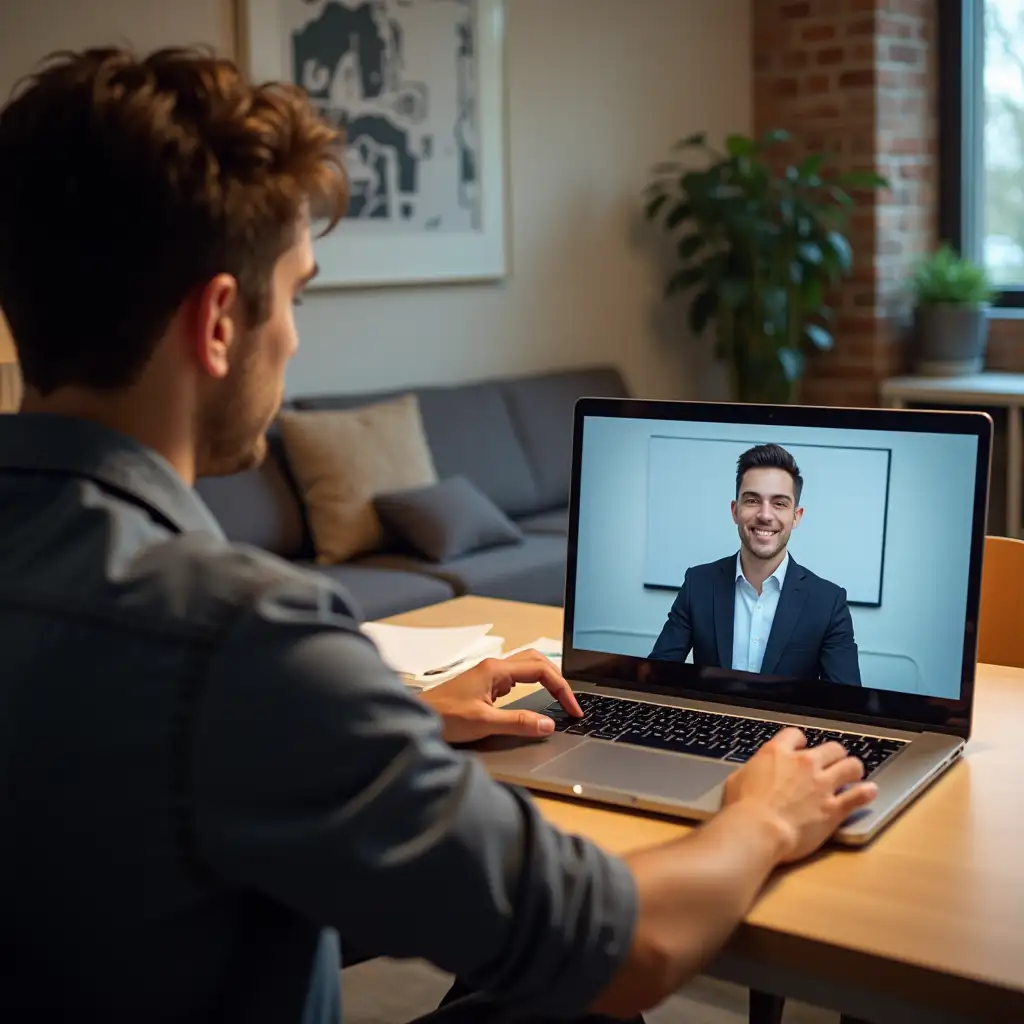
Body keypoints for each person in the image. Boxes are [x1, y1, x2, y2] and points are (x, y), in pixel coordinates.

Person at [0, 47, 877, 1023]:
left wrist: (391, 720)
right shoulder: (240, 634)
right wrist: (759, 818)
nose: (293, 335)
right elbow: (625, 944)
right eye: (295, 294)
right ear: (217, 323)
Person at [650, 443, 862, 686]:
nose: (765, 515)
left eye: (779, 503)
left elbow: (845, 702)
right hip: (712, 722)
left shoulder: (828, 602)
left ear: (796, 516)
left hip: (787, 724)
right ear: (735, 510)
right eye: (752, 500)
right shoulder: (697, 584)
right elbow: (656, 677)